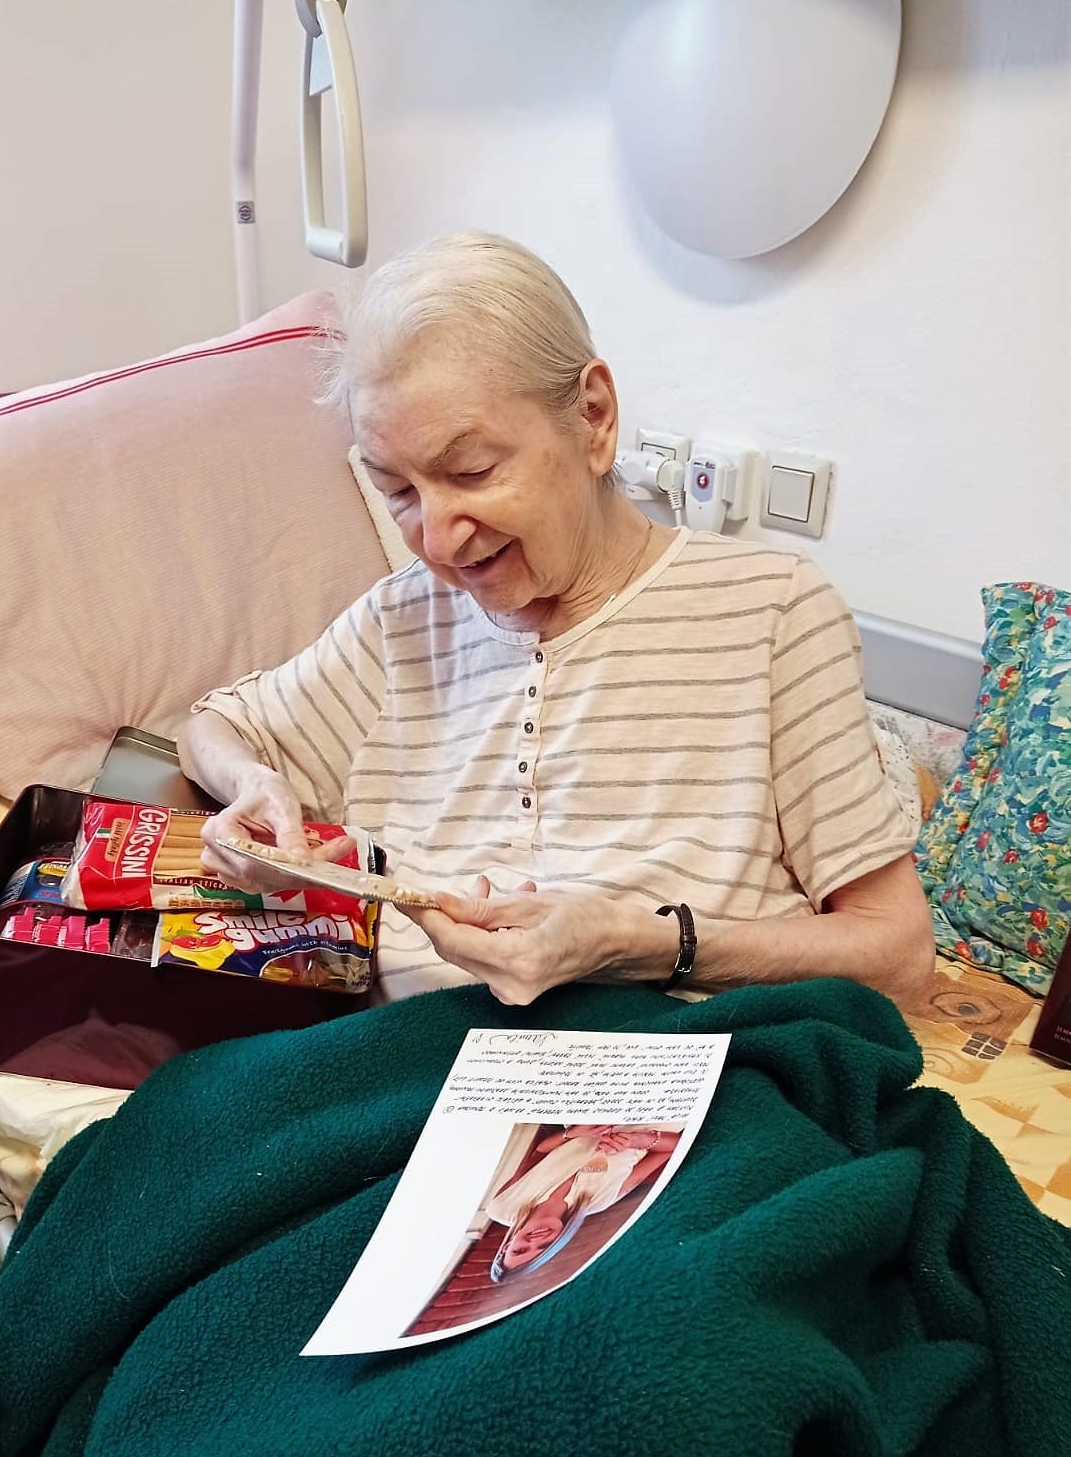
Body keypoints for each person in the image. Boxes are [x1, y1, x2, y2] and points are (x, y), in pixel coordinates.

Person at [180, 231, 934, 1010]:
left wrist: (644, 944)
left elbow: (899, 956)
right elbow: (215, 727)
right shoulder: (402, 621)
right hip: (415, 1046)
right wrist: (256, 786)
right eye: (396, 490)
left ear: (594, 419)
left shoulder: (773, 611)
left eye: (471, 470)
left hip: (662, 1046)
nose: (436, 539)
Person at [484, 1124, 681, 1282]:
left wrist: (571, 1133)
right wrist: (637, 1140)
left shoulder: (501, 1207)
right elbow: (674, 1147)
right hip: (652, 1122)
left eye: (519, 1250)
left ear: (506, 1246)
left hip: (592, 1114)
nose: (535, 1241)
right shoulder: (600, 1200)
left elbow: (538, 1152)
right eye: (544, 1247)